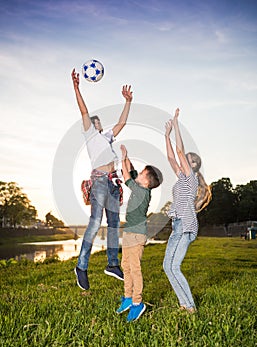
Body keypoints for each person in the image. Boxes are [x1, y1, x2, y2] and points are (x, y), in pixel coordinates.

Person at [71, 68, 133, 290]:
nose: (96, 122)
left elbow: (121, 123)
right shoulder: (89, 135)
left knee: (115, 223)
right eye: (93, 121)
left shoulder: (106, 137)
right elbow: (84, 110)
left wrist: (128, 102)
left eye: (97, 122)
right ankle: (81, 266)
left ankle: (112, 265)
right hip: (98, 181)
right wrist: (77, 87)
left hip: (113, 182)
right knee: (96, 221)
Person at [163, 108, 211, 313]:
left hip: (186, 224)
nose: (183, 160)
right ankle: (184, 304)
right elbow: (171, 157)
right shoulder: (182, 178)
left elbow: (179, 152)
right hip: (178, 224)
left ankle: (189, 306)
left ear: (193, 166)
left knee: (174, 267)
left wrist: (176, 125)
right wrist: (166, 136)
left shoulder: (191, 178)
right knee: (168, 266)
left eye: (189, 160)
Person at [116, 145, 163, 321]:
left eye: (142, 173)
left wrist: (123, 158)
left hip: (137, 234)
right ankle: (128, 297)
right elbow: (130, 170)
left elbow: (127, 176)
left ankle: (138, 302)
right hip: (129, 232)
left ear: (146, 182)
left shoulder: (142, 191)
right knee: (125, 266)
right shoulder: (141, 184)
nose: (139, 173)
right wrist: (126, 157)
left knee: (135, 268)